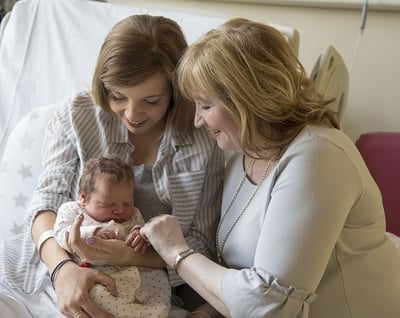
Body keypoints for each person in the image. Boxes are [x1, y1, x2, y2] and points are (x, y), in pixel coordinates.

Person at [133, 18, 400, 318]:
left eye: (206, 106)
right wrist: (207, 313)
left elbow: (270, 305)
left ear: (247, 98)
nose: (197, 121)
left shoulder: (318, 154)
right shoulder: (240, 155)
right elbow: (243, 274)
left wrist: (175, 252)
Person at [0, 14, 224, 318]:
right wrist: (63, 270)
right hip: (46, 271)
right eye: (118, 96)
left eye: (151, 100)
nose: (132, 114)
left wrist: (128, 255)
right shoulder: (76, 115)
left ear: (175, 92)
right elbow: (44, 207)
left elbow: (201, 244)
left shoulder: (202, 143)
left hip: (138, 292)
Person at [54, 157, 170, 318]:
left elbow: (143, 234)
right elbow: (61, 233)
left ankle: (154, 312)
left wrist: (140, 235)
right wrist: (92, 232)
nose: (120, 210)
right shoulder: (72, 211)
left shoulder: (134, 214)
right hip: (100, 276)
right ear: (83, 198)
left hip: (137, 272)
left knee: (160, 285)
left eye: (127, 203)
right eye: (108, 204)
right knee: (96, 296)